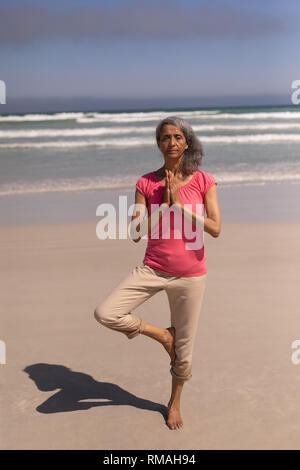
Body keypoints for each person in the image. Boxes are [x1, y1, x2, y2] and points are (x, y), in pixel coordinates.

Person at [94, 116, 221, 430]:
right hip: (152, 268)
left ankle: (174, 402)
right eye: (165, 137)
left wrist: (181, 207)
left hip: (191, 275)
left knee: (184, 354)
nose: (172, 143)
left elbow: (216, 228)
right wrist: (163, 206)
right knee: (106, 312)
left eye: (178, 137)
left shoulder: (205, 180)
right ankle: (163, 335)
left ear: (186, 142)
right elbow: (136, 232)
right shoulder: (145, 183)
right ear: (159, 144)